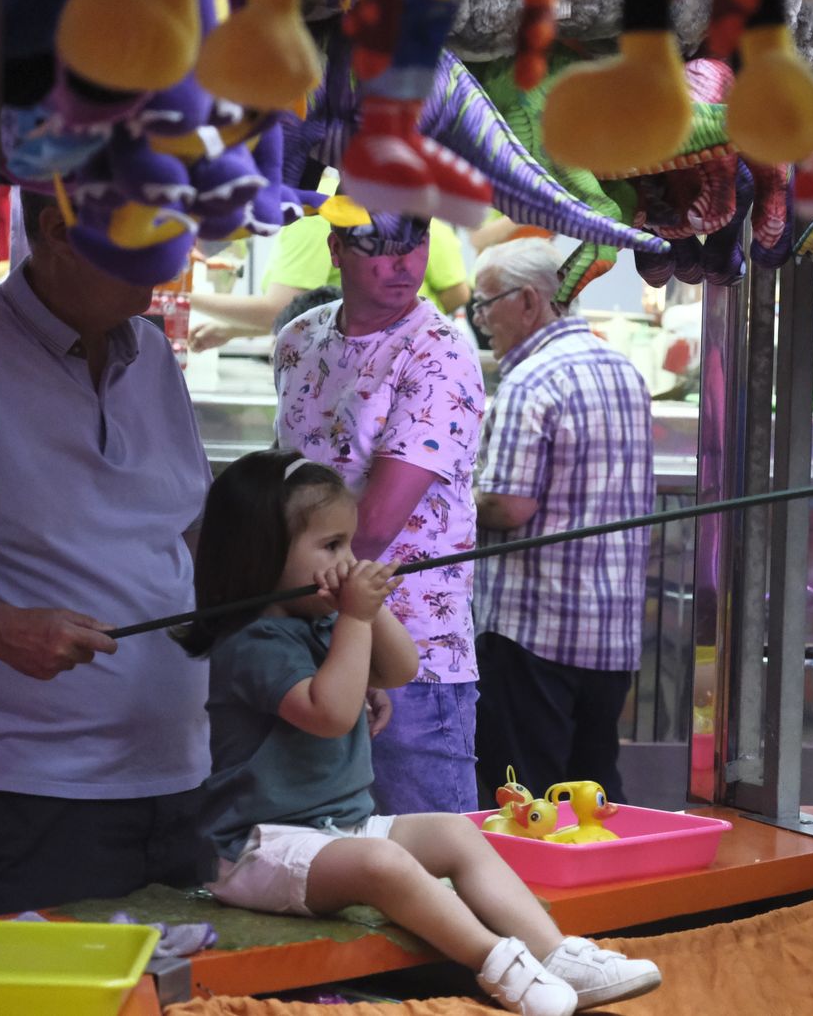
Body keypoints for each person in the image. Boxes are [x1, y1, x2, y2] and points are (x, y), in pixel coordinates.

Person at [176, 450, 661, 1016]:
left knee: (455, 834)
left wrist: (366, 608)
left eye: (351, 545)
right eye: (332, 547)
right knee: (384, 867)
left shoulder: (325, 620)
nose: (349, 560)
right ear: (263, 553)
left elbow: (401, 669)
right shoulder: (252, 643)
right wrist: (356, 617)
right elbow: (329, 713)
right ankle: (501, 968)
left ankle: (557, 955)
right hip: (261, 849)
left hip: (341, 829)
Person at [0, 190, 213, 915]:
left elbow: (187, 530)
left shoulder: (150, 354)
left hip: (179, 774)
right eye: (149, 238)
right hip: (32, 791)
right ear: (58, 232)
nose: (172, 262)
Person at [274, 205, 486, 814]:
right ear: (336, 249)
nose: (403, 264)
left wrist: (287, 597)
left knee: (433, 867)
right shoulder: (299, 337)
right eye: (379, 247)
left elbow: (372, 528)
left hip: (406, 651)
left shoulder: (438, 350)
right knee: (318, 855)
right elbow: (282, 478)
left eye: (416, 242)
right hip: (301, 635)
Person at [472, 239, 655, 803]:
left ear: (529, 301)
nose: (480, 321)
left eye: (486, 304)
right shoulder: (623, 370)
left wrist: (449, 494)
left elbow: (509, 505)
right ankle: (605, 894)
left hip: (535, 630)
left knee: (522, 802)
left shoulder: (531, 381)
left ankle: (530, 896)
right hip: (610, 632)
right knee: (592, 801)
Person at [189, 211, 471, 352]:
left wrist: (183, 296)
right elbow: (300, 314)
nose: (401, 264)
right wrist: (232, 330)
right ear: (337, 250)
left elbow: (281, 310)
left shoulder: (314, 217)